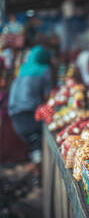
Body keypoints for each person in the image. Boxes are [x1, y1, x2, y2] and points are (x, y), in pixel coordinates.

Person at [8, 45, 54, 176]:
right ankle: (36, 169)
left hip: (15, 118)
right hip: (31, 115)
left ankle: (35, 170)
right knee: (40, 142)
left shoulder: (23, 69)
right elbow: (48, 97)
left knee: (36, 144)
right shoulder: (45, 69)